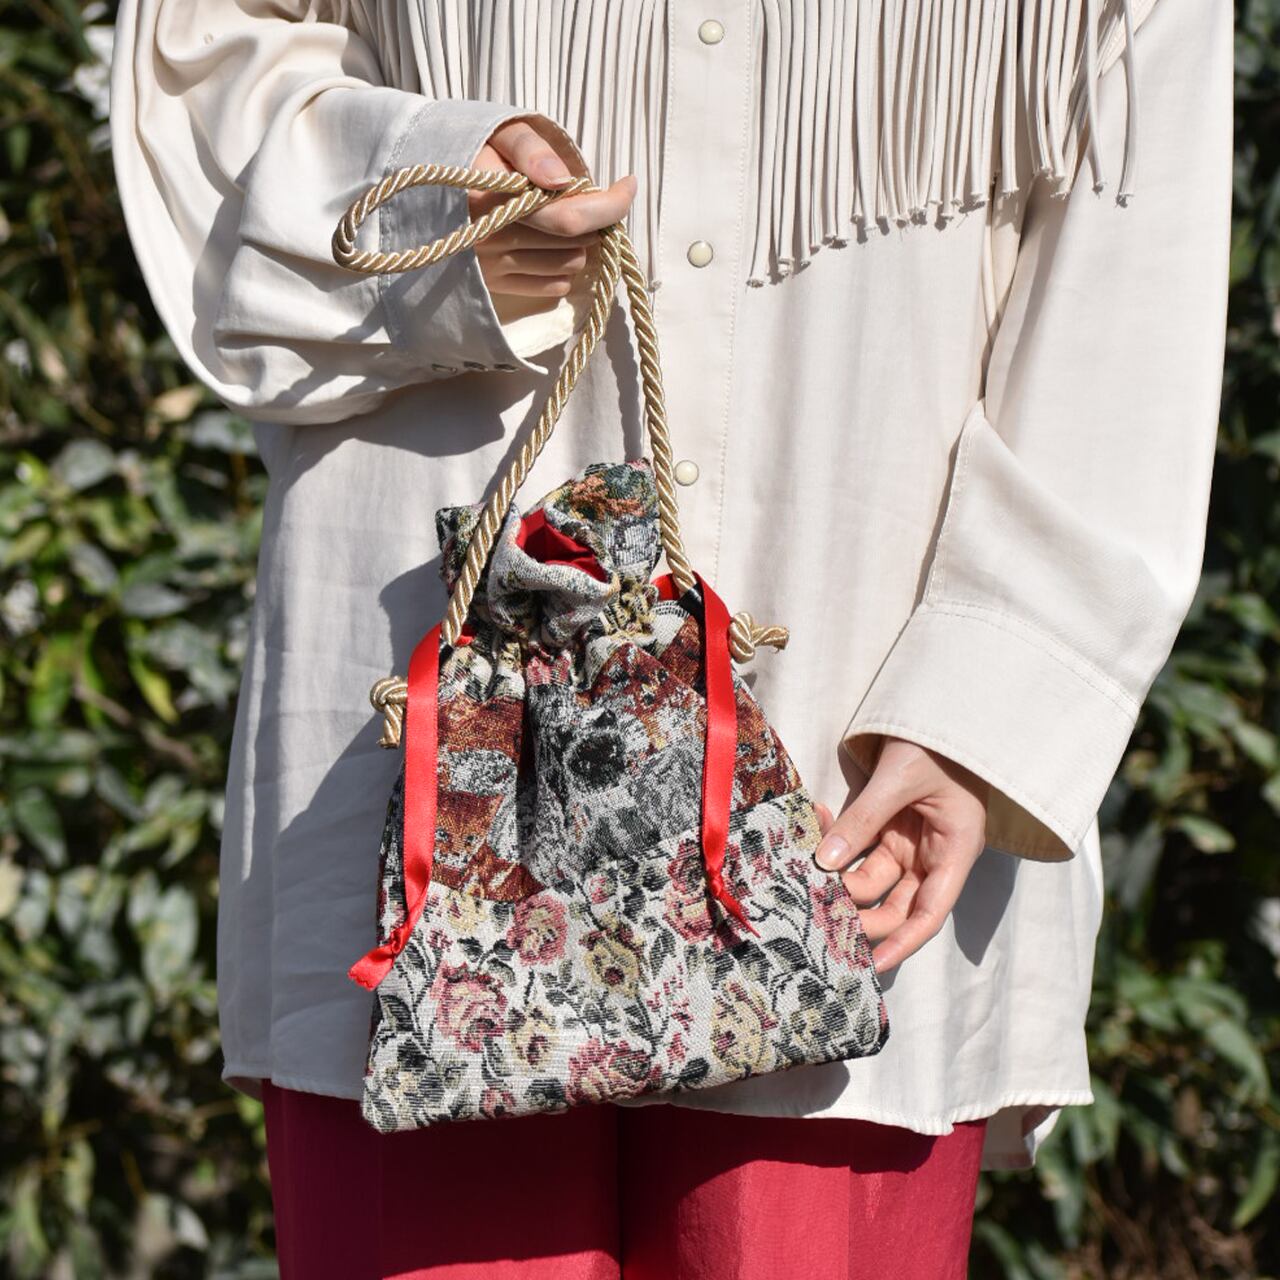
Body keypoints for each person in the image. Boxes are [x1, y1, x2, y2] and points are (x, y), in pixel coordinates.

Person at [110, 1, 1232, 1276]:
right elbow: (210, 69)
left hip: (863, 763)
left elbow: (1128, 262)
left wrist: (984, 703)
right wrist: (432, 203)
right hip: (417, 766)